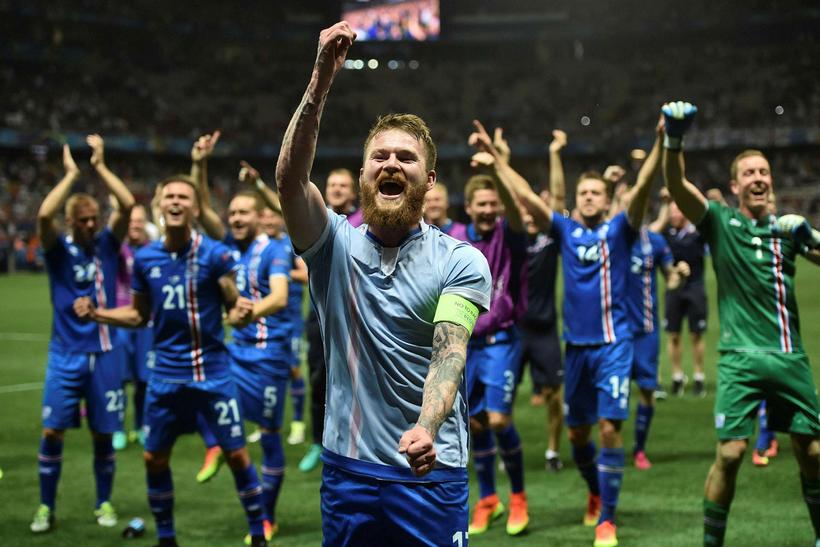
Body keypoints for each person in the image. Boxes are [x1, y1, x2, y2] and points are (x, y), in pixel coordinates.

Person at [275, 21, 491, 545]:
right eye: (380, 156)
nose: (391, 163)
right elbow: (289, 179)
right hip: (348, 473)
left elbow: (450, 352)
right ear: (365, 171)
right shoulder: (331, 247)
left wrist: (427, 426)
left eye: (406, 157)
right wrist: (320, 82)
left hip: (430, 470)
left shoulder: (461, 260)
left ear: (430, 179)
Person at [471, 117, 660, 547]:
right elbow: (526, 198)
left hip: (614, 345)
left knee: (610, 429)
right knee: (578, 435)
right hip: (574, 349)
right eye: (583, 193)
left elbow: (645, 189)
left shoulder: (620, 230)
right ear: (575, 201)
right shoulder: (565, 230)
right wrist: (498, 161)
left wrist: (661, 145)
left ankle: (606, 520)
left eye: (597, 192)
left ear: (609, 199)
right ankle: (595, 491)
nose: (589, 197)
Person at [73, 171, 270, 547]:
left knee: (237, 456)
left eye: (184, 197)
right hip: (164, 377)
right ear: (159, 206)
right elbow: (138, 315)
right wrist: (99, 313)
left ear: (195, 207)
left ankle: (259, 534)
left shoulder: (214, 254)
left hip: (212, 375)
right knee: (153, 459)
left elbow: (233, 305)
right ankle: (166, 537)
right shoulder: (146, 259)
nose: (176, 202)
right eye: (170, 197)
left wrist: (243, 310)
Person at [660, 100, 820, 546]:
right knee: (730, 454)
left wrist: (810, 237)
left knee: (812, 452)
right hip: (739, 361)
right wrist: (674, 139)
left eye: (763, 171)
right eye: (748, 172)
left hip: (790, 357)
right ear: (734, 185)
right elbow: (676, 184)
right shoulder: (720, 222)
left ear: (771, 181)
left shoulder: (788, 229)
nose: (758, 178)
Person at [31, 136, 135, 533]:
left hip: (105, 352)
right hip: (66, 353)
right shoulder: (58, 251)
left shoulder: (108, 245)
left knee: (103, 434)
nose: (92, 224)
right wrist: (71, 175)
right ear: (72, 222)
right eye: (84, 220)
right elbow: (43, 216)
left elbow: (126, 205)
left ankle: (104, 501)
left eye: (94, 218)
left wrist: (101, 166)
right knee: (52, 430)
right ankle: (45, 507)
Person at [195, 158, 296, 542]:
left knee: (269, 435)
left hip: (269, 354)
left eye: (243, 212)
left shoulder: (274, 250)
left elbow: (281, 296)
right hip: (236, 352)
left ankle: (267, 516)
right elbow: (202, 210)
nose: (236, 218)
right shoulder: (226, 249)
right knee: (203, 398)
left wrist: (247, 312)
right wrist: (199, 165)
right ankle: (215, 447)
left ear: (259, 216)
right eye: (232, 213)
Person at [453, 137, 530, 535]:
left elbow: (517, 209)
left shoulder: (509, 234)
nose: (487, 210)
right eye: (479, 204)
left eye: (491, 204)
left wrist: (499, 164)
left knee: (499, 419)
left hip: (502, 340)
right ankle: (488, 499)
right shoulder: (457, 239)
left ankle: (517, 495)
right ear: (468, 208)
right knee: (476, 422)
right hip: (468, 344)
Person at [299, 166, 364, 473]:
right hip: (320, 316)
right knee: (318, 379)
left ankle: (357, 440)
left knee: (357, 379)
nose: (337, 189)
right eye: (333, 184)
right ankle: (317, 441)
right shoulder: (317, 221)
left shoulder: (364, 221)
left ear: (353, 192)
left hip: (356, 316)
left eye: (343, 185)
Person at [519, 129, 567, 473]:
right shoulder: (511, 238)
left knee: (554, 394)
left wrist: (555, 153)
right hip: (514, 328)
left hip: (546, 327)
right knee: (499, 404)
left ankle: (552, 451)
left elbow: (560, 200)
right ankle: (509, 448)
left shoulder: (551, 239)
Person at [112, 204, 157, 450]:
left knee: (143, 381)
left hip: (146, 324)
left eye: (139, 221)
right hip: (121, 323)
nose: (135, 225)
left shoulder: (153, 250)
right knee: (119, 381)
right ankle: (117, 429)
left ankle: (140, 426)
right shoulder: (117, 249)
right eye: (131, 221)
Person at [661, 199, 708, 396]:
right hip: (674, 290)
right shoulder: (667, 234)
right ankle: (677, 375)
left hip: (695, 288)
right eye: (671, 212)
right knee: (673, 334)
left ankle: (698, 375)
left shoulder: (698, 232)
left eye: (677, 211)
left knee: (696, 334)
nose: (674, 215)